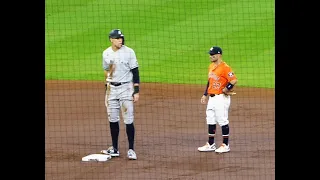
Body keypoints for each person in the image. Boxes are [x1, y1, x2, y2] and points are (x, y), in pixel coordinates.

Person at [100, 29, 140, 160]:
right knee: (113, 119)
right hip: (111, 90)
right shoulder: (106, 53)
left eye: (121, 38)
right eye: (117, 38)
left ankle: (131, 149)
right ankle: (115, 148)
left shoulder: (129, 52)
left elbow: (135, 71)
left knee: (128, 119)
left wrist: (136, 91)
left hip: (126, 88)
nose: (120, 40)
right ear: (111, 39)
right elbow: (106, 70)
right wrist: (107, 87)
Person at [197, 46, 238, 153]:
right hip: (211, 98)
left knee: (222, 120)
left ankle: (226, 145)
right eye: (210, 54)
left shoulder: (225, 67)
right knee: (210, 119)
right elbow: (209, 82)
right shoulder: (211, 66)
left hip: (221, 98)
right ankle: (211, 144)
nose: (210, 56)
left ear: (219, 55)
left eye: (213, 54)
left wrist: (226, 88)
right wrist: (205, 94)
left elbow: (233, 80)